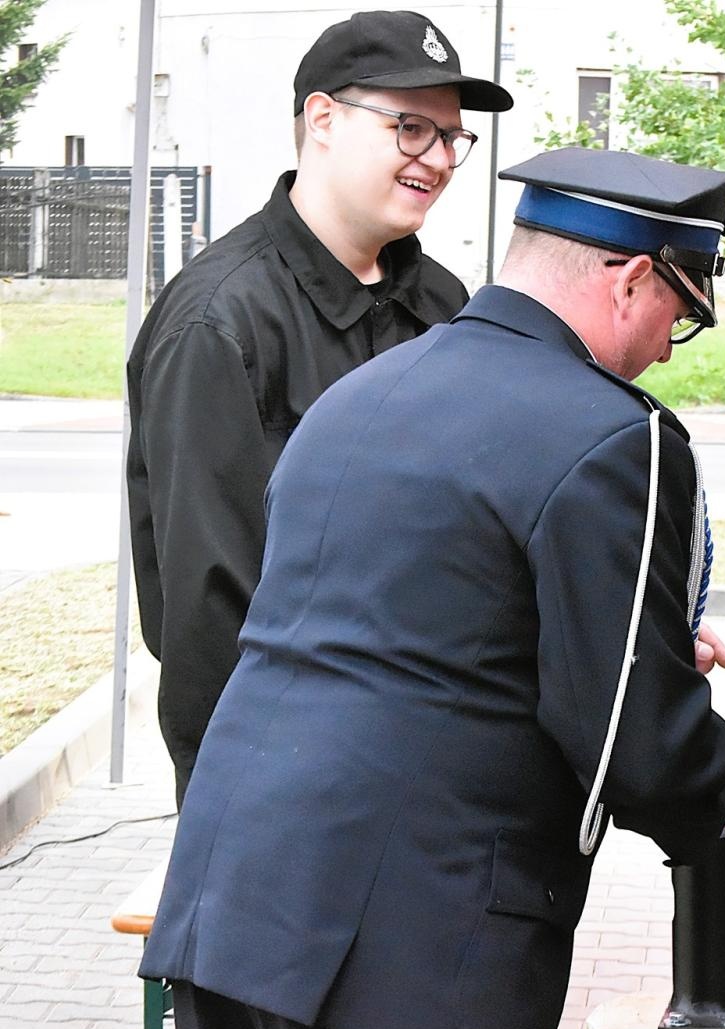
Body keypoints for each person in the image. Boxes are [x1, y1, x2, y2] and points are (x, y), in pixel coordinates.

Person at [138, 147, 725, 1029]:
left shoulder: (358, 393)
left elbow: (422, 623)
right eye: (679, 313)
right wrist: (706, 792)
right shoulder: (617, 436)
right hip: (407, 956)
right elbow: (639, 741)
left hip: (226, 913)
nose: (667, 346)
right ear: (631, 280)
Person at [125, 9, 512, 807]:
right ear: (323, 119)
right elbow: (208, 611)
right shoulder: (219, 323)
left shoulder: (443, 303)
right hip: (284, 784)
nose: (437, 159)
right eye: (410, 129)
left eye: (451, 138)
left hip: (430, 759)